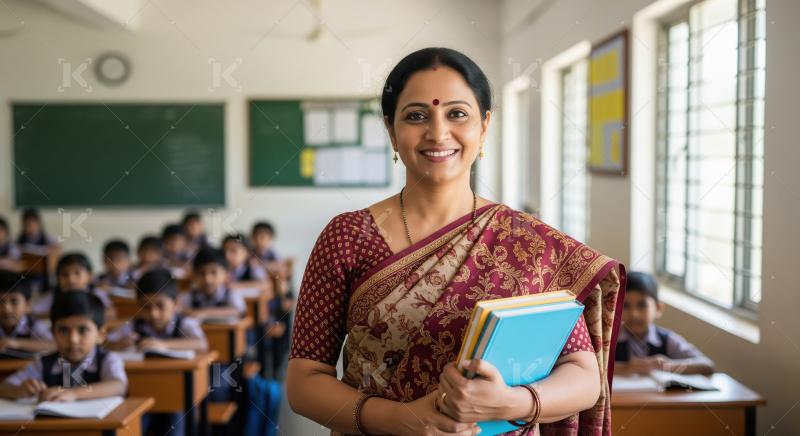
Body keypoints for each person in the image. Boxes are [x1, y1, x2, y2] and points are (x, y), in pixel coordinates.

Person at [286, 47, 626, 436]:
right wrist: (399, 420)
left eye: (457, 113)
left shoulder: (529, 243)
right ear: (391, 130)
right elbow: (304, 381)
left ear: (484, 126)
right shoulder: (348, 237)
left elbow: (583, 375)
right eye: (416, 116)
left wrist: (515, 403)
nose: (437, 132)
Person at [0, 292, 127, 400]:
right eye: (64, 331)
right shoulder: (43, 363)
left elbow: (118, 386)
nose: (73, 339)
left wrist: (73, 393)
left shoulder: (107, 359)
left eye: (82, 330)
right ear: (53, 333)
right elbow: (4, 387)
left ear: (101, 335)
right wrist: (19, 390)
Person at [615, 271, 714, 375]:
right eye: (625, 306)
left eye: (642, 305)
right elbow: (597, 369)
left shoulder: (667, 340)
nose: (634, 314)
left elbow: (707, 365)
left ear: (658, 308)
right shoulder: (609, 339)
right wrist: (624, 368)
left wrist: (668, 365)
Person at [0, 270, 53, 354]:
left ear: (28, 305)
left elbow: (53, 345)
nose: (6, 309)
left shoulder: (34, 325)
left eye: (14, 301)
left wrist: (15, 343)